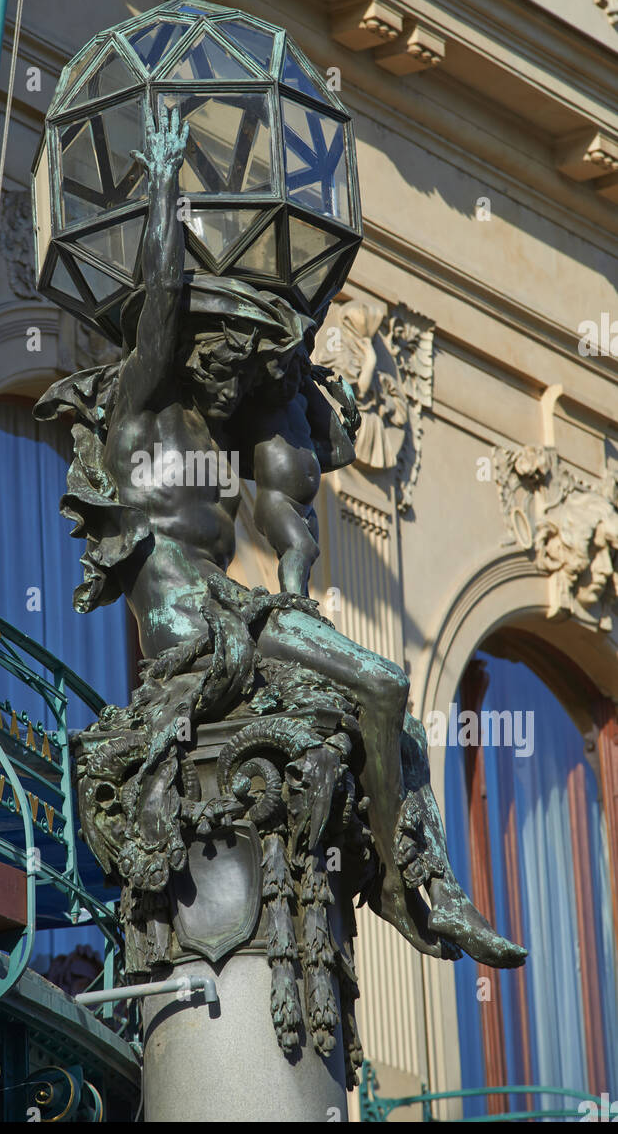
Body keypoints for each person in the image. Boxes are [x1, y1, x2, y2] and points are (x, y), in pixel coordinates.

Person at [37, 101, 525, 969]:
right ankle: (410, 898)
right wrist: (162, 191)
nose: (231, 378)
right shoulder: (141, 421)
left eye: (244, 365)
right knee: (371, 689)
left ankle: (423, 895)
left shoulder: (228, 434)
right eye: (219, 360)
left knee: (383, 693)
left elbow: (317, 458)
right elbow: (159, 309)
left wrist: (296, 348)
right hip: (185, 622)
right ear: (188, 355)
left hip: (238, 607)